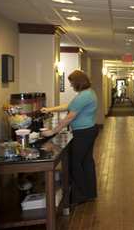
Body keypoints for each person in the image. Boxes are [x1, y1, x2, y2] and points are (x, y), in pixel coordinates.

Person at [42, 70, 99, 206]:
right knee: (86, 162)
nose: (71, 85)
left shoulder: (83, 96)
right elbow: (69, 106)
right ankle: (89, 193)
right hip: (88, 130)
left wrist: (52, 132)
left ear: (78, 82)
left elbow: (69, 117)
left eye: (72, 82)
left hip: (84, 132)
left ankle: (80, 195)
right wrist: (50, 109)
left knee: (74, 163)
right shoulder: (87, 93)